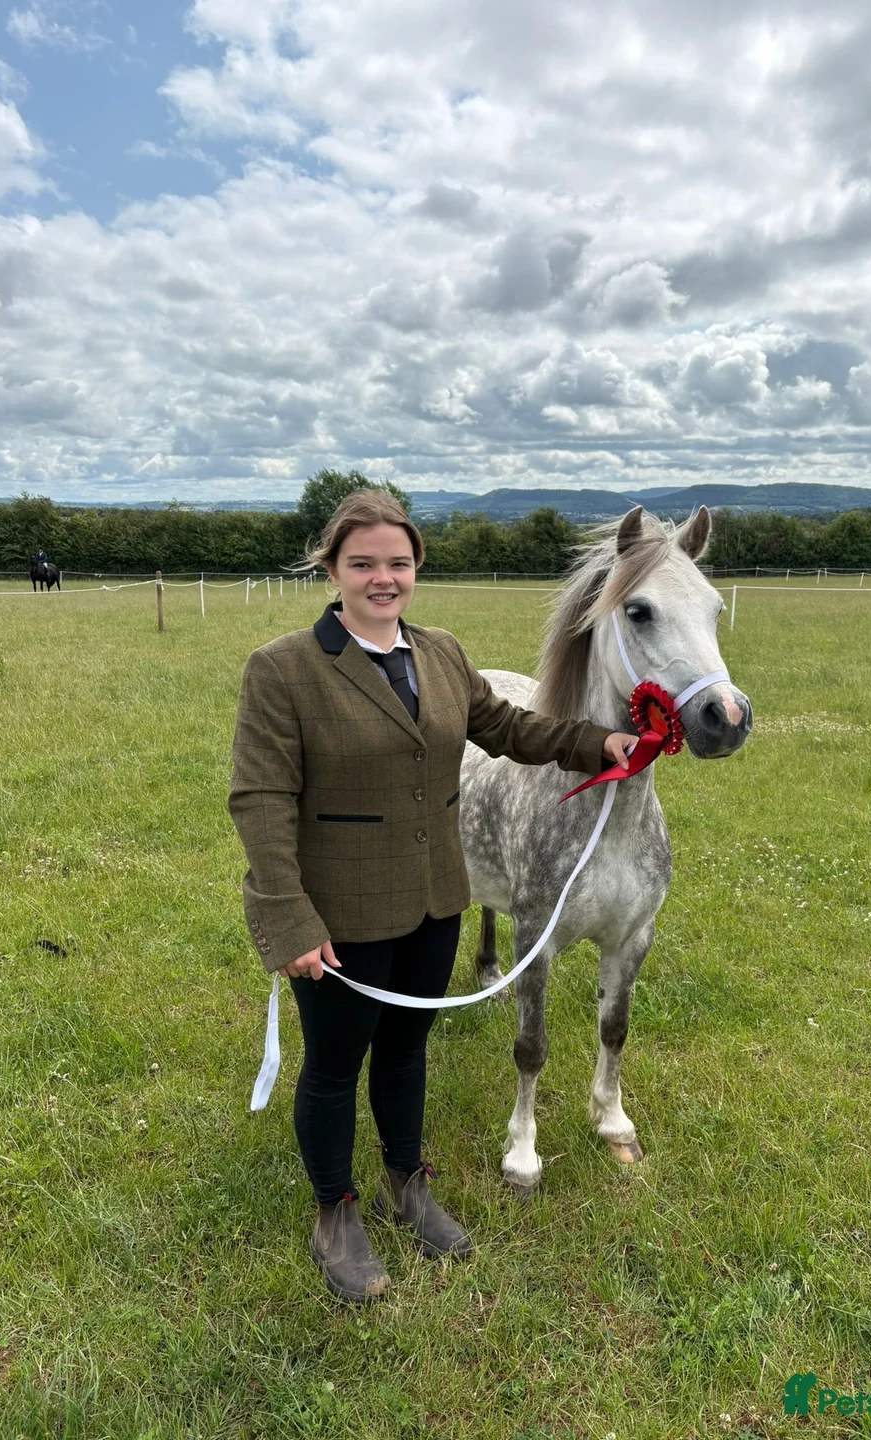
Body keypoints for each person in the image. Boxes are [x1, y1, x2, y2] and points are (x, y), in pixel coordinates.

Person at [227, 491, 636, 1304]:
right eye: (364, 564)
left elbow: (514, 730)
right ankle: (335, 1214)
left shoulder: (443, 653)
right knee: (337, 1065)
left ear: (416, 567)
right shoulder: (283, 670)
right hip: (339, 913)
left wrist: (600, 743)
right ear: (331, 568)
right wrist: (288, 918)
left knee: (408, 1050)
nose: (384, 578)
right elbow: (261, 800)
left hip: (433, 901)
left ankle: (406, 1185)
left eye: (398, 563)